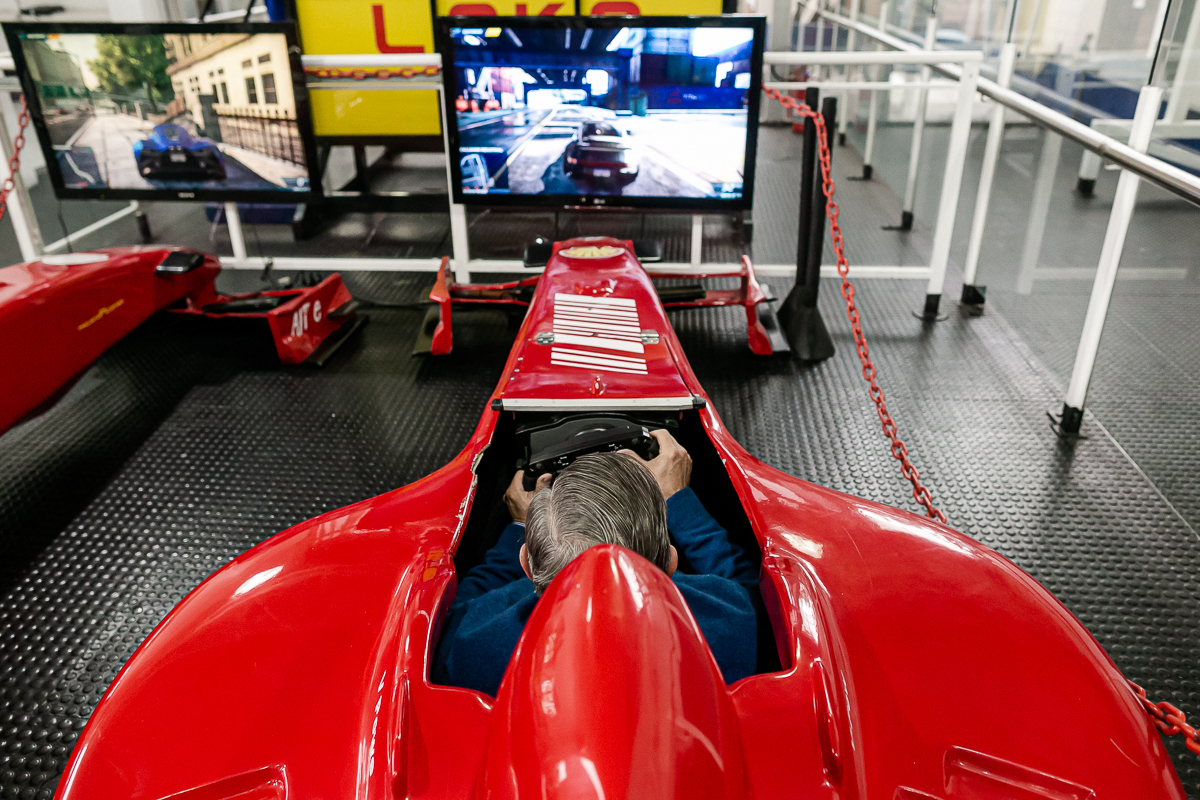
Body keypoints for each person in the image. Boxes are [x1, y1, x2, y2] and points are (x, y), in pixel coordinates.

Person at [431, 430, 760, 696]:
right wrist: (679, 500)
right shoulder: (734, 622)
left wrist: (518, 526)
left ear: (526, 564)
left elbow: (458, 612)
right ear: (671, 561)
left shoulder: (473, 646)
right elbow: (747, 591)